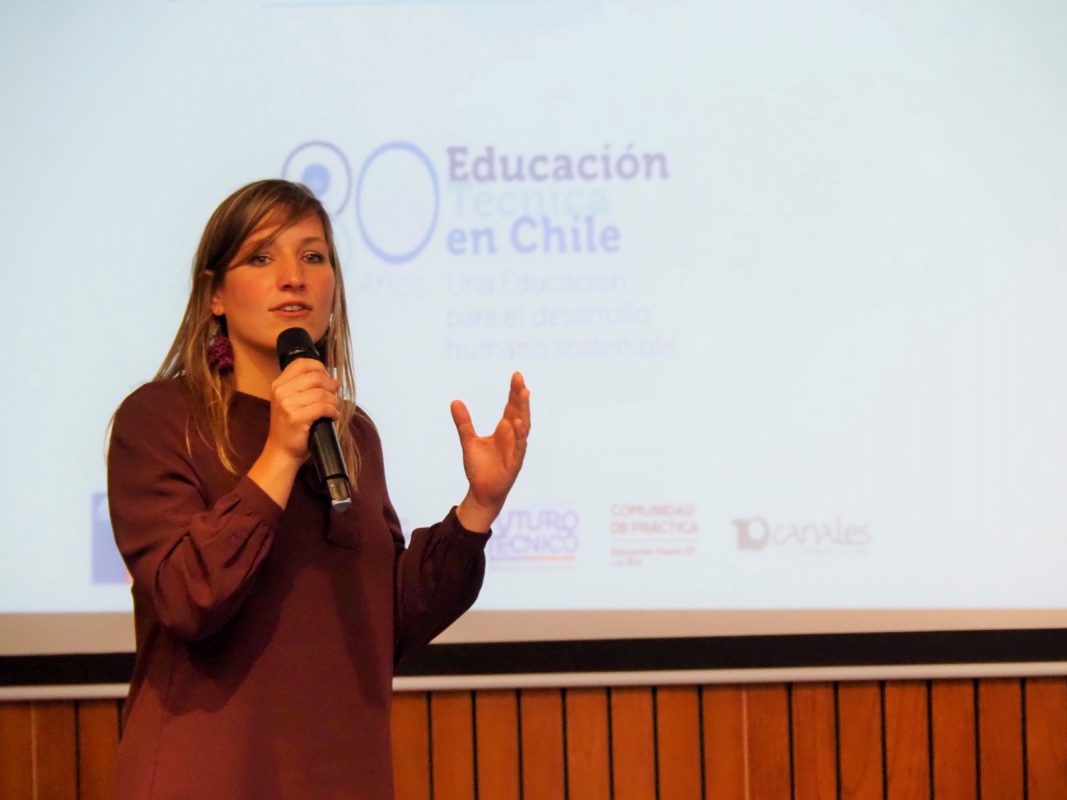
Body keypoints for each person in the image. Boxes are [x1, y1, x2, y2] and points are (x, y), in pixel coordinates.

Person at [107, 179, 530, 799]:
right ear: (214, 294)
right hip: (207, 775)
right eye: (261, 257)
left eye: (312, 256)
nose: (293, 278)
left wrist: (479, 508)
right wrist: (279, 453)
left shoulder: (352, 434)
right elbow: (188, 597)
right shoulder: (161, 419)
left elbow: (385, 623)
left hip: (340, 775)